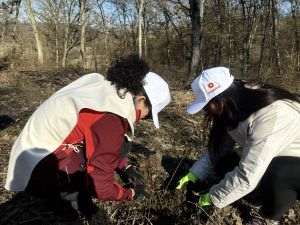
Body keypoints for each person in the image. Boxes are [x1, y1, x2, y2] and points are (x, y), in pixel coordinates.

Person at [5, 55, 171, 220]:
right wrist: (129, 194)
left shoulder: (101, 85)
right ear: (141, 99)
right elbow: (101, 188)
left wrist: (123, 166)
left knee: (118, 144)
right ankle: (64, 197)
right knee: (87, 186)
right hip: (38, 169)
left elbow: (96, 136)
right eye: (147, 115)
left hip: (29, 153)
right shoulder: (111, 117)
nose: (141, 119)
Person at [177, 67, 300, 225]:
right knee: (226, 163)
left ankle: (268, 217)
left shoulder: (271, 114)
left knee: (279, 171)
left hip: (294, 167)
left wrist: (211, 198)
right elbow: (220, 150)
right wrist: (194, 173)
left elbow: (248, 174)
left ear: (220, 101)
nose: (206, 111)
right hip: (277, 156)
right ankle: (257, 196)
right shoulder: (236, 105)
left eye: (206, 106)